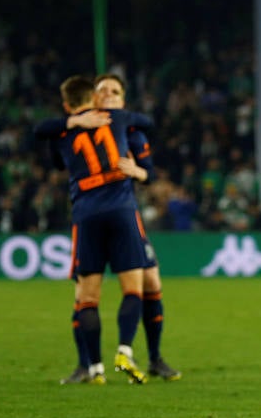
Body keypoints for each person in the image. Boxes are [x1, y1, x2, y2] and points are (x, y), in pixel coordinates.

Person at [60, 74, 181, 383]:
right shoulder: (75, 131)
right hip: (93, 215)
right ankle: (85, 364)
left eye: (115, 92)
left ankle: (154, 358)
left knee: (152, 283)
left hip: (127, 216)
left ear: (123, 101)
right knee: (85, 292)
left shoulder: (131, 132)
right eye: (103, 91)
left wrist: (138, 171)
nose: (109, 96)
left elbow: (151, 175)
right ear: (93, 99)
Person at [35, 75, 155, 384]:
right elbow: (149, 122)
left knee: (86, 298)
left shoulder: (60, 130)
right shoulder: (119, 118)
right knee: (133, 289)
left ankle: (94, 368)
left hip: (86, 215)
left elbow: (47, 147)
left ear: (66, 104)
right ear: (95, 97)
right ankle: (125, 350)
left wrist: (72, 122)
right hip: (122, 211)